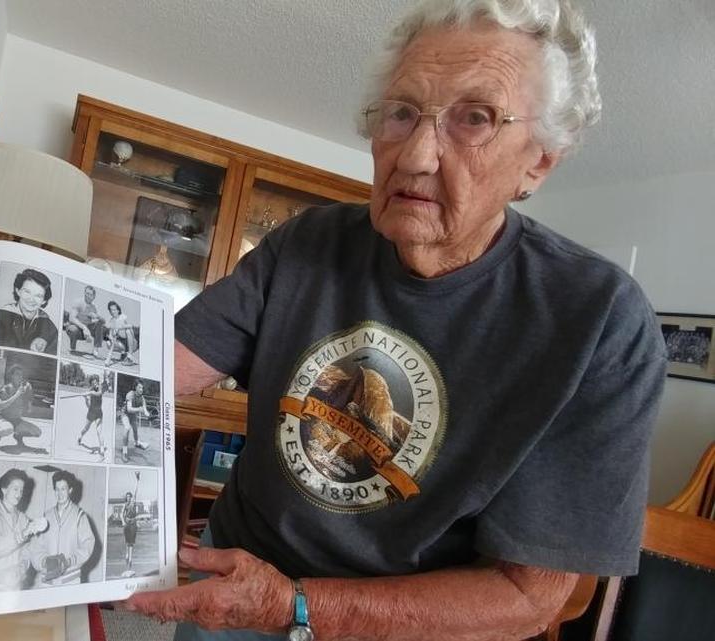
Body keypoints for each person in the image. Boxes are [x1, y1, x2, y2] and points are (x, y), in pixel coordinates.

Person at [126, 2, 668, 640]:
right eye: (402, 112)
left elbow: (527, 599)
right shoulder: (310, 243)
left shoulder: (601, 322)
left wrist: (293, 606)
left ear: (538, 161)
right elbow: (150, 372)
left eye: (476, 118)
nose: (414, 156)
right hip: (237, 574)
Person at [0, 468, 47, 592]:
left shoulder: (23, 520)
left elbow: (27, 552)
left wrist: (20, 569)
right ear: (4, 489)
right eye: (15, 489)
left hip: (11, 588)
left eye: (21, 490)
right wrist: (23, 534)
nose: (19, 494)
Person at [33, 470, 96, 585]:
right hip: (48, 580)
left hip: (70, 579)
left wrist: (69, 562)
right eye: (57, 489)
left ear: (70, 490)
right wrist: (44, 562)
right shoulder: (46, 515)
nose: (60, 493)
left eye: (63, 489)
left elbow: (88, 545)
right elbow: (37, 547)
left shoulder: (79, 515)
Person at [0, 268, 58, 353]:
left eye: (38, 296)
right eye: (27, 292)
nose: (31, 299)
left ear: (44, 301)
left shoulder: (50, 328)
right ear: (18, 291)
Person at [0, 364, 46, 454]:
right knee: (7, 430)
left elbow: (29, 401)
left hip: (17, 420)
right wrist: (17, 394)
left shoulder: (23, 388)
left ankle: (18, 436)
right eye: (17, 374)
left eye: (21, 374)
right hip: (3, 418)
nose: (20, 376)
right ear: (12, 376)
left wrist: (29, 393)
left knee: (37, 432)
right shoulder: (6, 389)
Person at [64, 285, 106, 354]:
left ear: (94, 297)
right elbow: (71, 318)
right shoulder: (78, 302)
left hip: (86, 333)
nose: (87, 295)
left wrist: (97, 316)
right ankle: (73, 348)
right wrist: (84, 328)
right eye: (86, 293)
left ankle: (96, 349)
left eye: (90, 294)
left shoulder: (93, 308)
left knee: (100, 323)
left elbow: (103, 321)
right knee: (73, 329)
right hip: (75, 328)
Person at [77, 374, 107, 458]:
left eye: (96, 382)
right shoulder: (90, 390)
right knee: (85, 429)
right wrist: (86, 399)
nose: (95, 384)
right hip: (91, 413)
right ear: (91, 384)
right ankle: (80, 437)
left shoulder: (100, 388)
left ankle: (101, 450)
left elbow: (99, 394)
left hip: (99, 414)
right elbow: (88, 406)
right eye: (93, 383)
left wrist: (89, 393)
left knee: (99, 432)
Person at [120, 380, 150, 461]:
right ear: (135, 387)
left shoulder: (142, 398)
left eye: (142, 388)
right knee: (127, 428)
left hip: (133, 416)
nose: (141, 389)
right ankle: (124, 452)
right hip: (125, 414)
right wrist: (139, 409)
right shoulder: (130, 394)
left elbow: (145, 409)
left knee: (135, 430)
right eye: (139, 387)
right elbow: (129, 409)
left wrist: (147, 414)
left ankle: (137, 443)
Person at [105, 301, 139, 366]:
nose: (112, 312)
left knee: (128, 330)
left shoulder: (123, 317)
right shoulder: (111, 320)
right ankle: (124, 354)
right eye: (111, 310)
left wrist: (119, 328)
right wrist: (111, 338)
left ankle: (130, 356)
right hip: (123, 344)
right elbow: (110, 334)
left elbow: (131, 326)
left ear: (118, 310)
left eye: (114, 310)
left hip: (133, 343)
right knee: (108, 343)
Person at [120, 491, 140, 576]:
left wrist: (137, 481)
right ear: (126, 497)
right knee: (127, 541)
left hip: (133, 523)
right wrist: (123, 521)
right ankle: (127, 554)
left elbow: (136, 492)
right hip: (127, 522)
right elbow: (121, 514)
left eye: (130, 497)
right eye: (127, 496)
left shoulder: (133, 503)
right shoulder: (125, 505)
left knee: (131, 542)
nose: (129, 498)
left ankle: (130, 559)